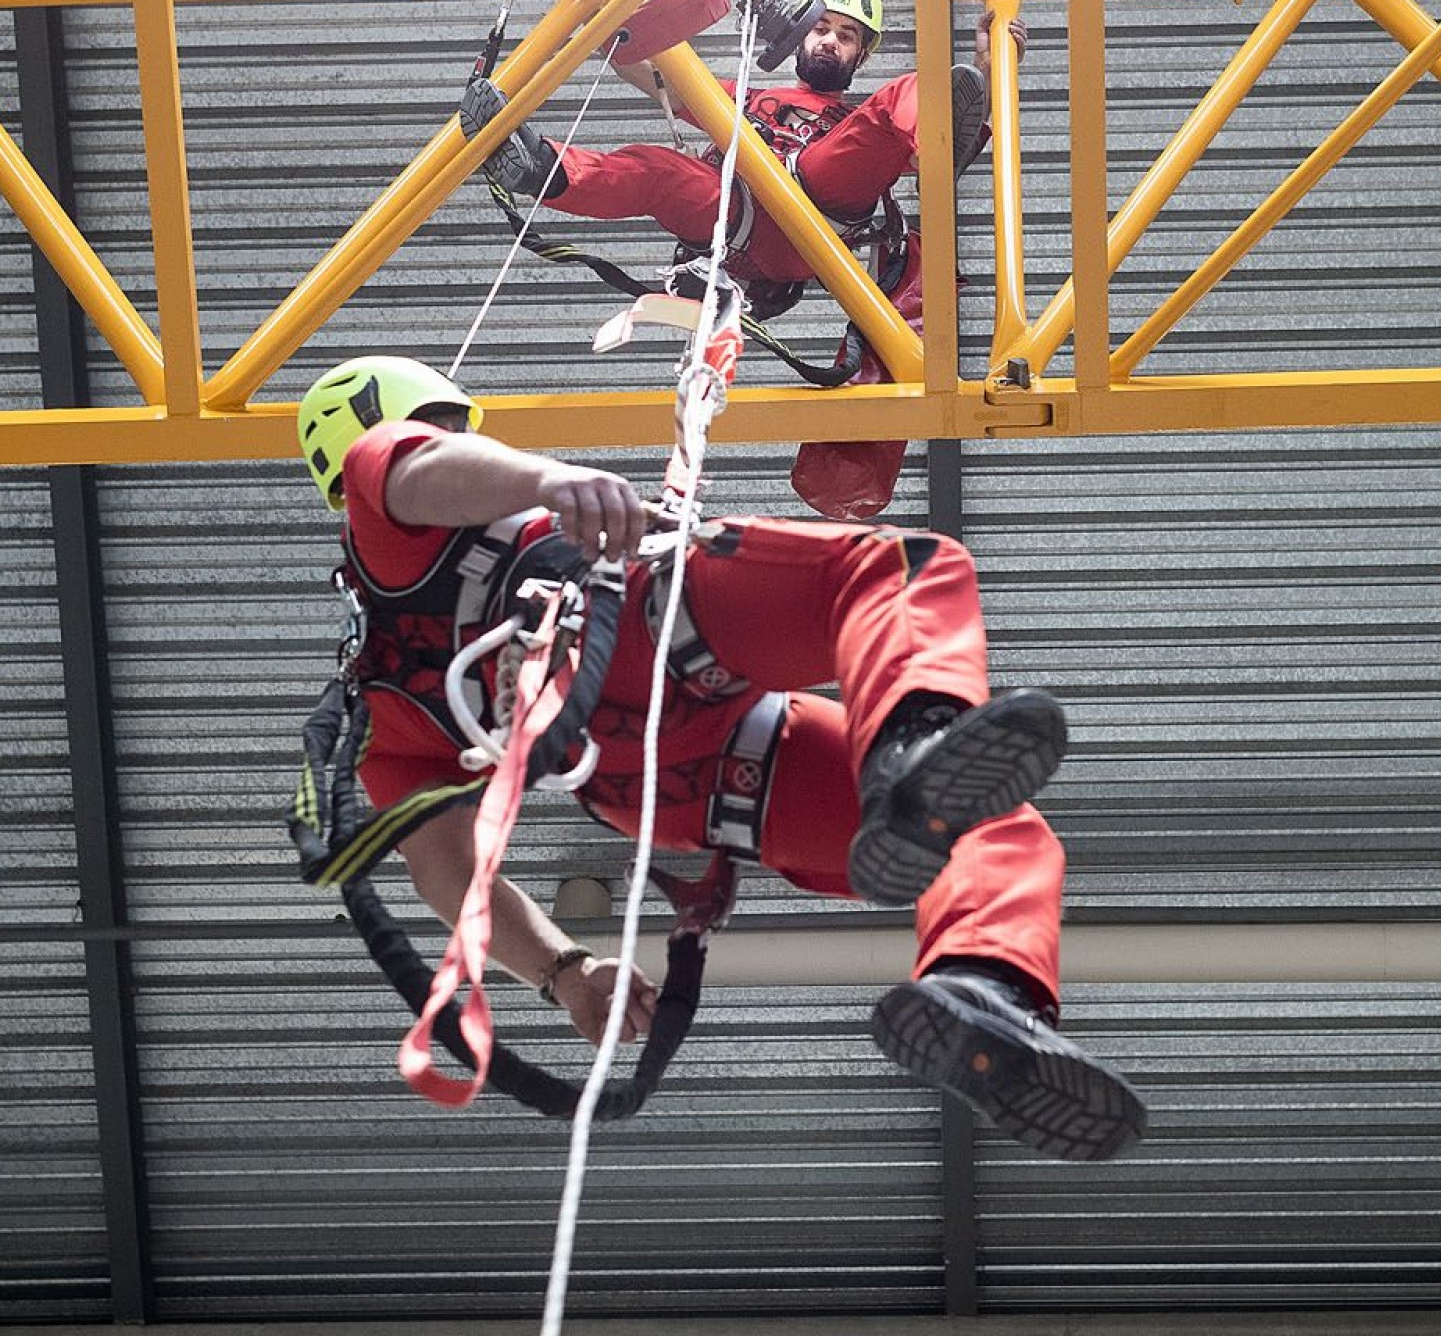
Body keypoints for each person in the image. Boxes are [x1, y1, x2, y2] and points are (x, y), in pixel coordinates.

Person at [296, 353, 1148, 1161]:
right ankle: (912, 744)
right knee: (902, 572)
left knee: (998, 827)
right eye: (443, 424)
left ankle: (982, 991)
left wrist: (564, 974)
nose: (454, 439)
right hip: (639, 632)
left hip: (663, 779)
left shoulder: (382, 708)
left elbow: (449, 873)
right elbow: (422, 470)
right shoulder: (396, 479)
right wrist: (552, 482)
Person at [460, 0, 1024, 296]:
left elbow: (896, 124)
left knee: (904, 97)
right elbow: (640, 66)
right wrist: (626, 10)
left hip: (818, 215)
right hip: (742, 216)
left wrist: (986, 60)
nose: (830, 42)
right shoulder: (744, 100)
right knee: (659, 171)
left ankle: (942, 139)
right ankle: (535, 166)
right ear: (800, 35)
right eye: (822, 28)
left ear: (862, 54)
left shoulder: (859, 115)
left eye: (847, 36)